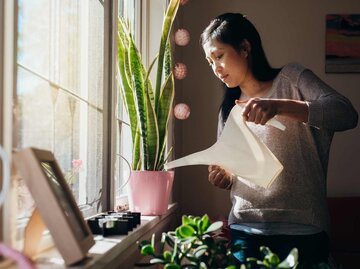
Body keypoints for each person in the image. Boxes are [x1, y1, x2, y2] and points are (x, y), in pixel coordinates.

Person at [200, 13, 358, 268]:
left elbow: (346, 114)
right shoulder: (228, 109)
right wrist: (224, 177)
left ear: (245, 47)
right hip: (245, 229)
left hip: (304, 229)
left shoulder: (292, 79)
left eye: (218, 56)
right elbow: (231, 173)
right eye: (209, 61)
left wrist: (278, 106)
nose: (215, 68)